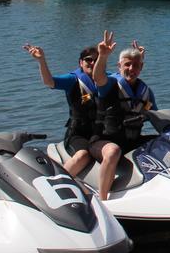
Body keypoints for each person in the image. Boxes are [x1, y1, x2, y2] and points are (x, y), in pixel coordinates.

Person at [25, 34, 121, 200]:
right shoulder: (73, 80)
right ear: (80, 63)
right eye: (88, 60)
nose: (92, 63)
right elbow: (50, 82)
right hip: (79, 133)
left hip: (100, 133)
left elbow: (127, 77)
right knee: (83, 156)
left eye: (96, 59)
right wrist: (41, 61)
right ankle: (54, 186)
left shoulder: (109, 79)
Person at [99, 39, 158, 153]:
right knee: (113, 152)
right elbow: (98, 77)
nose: (131, 68)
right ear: (119, 66)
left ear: (141, 67)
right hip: (109, 142)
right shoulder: (110, 85)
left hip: (133, 140)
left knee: (165, 143)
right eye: (127, 64)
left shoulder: (146, 92)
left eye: (136, 65)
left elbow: (156, 116)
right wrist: (103, 56)